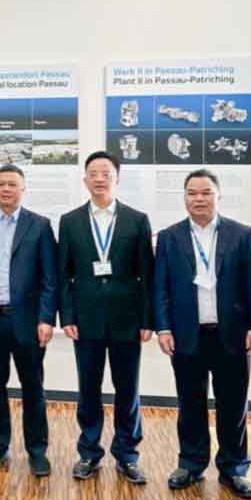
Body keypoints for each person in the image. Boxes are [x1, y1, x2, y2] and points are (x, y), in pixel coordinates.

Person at [153, 169, 251, 499]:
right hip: (187, 334)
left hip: (232, 335)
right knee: (190, 402)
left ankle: (235, 468)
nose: (199, 199)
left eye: (206, 193)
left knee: (233, 404)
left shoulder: (242, 235)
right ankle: (191, 463)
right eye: (192, 193)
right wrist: (163, 327)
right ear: (184, 198)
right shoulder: (169, 237)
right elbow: (160, 287)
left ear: (218, 196)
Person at [58, 150, 153, 482]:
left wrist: (147, 320)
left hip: (127, 319)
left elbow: (147, 274)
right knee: (88, 388)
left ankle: (127, 454)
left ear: (117, 179)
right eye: (93, 173)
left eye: (106, 173)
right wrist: (67, 316)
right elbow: (64, 274)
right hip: (85, 320)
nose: (99, 179)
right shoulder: (69, 221)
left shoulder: (137, 220)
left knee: (128, 389)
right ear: (85, 180)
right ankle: (89, 452)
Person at [0, 164, 57, 477]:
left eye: (12, 184)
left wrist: (46, 319)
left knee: (33, 387)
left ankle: (37, 451)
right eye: (1, 184)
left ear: (23, 189)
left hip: (28, 322)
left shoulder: (40, 226)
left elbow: (49, 278)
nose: (6, 189)